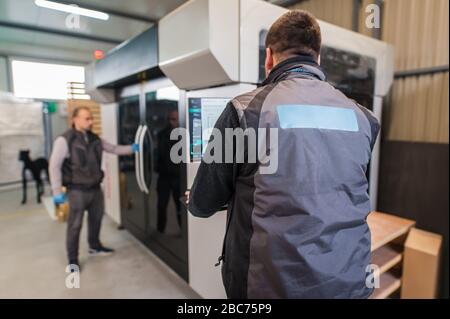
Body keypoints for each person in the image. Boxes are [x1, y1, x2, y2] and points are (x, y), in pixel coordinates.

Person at [187, 10, 380, 298]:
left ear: (268, 57)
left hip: (271, 287)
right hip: (349, 282)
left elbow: (203, 203)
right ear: (318, 57)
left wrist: (198, 197)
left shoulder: (245, 111)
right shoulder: (364, 117)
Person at [49, 106, 139, 271]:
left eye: (91, 118)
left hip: (95, 189)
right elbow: (54, 166)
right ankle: (73, 260)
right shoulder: (65, 140)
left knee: (96, 220)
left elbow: (113, 148)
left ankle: (95, 247)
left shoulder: (95, 138)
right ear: (75, 119)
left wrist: (131, 148)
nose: (91, 121)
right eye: (87, 118)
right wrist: (56, 192)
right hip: (76, 191)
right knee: (74, 226)